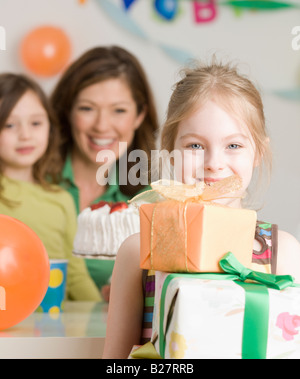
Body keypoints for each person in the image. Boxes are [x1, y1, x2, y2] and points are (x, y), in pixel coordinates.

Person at [102, 58, 300, 358]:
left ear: (258, 152)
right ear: (170, 151)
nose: (214, 163)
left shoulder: (282, 252)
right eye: (195, 146)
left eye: (233, 145)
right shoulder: (138, 251)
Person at [50, 46, 159, 298]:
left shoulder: (149, 202)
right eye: (87, 108)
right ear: (68, 111)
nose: (101, 125)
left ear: (139, 115)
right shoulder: (32, 181)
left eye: (119, 110)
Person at [0, 73, 101, 301]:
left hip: (53, 327)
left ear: (49, 127)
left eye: (36, 123)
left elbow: (76, 276)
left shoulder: (61, 199)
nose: (25, 135)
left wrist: (104, 315)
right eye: (9, 124)